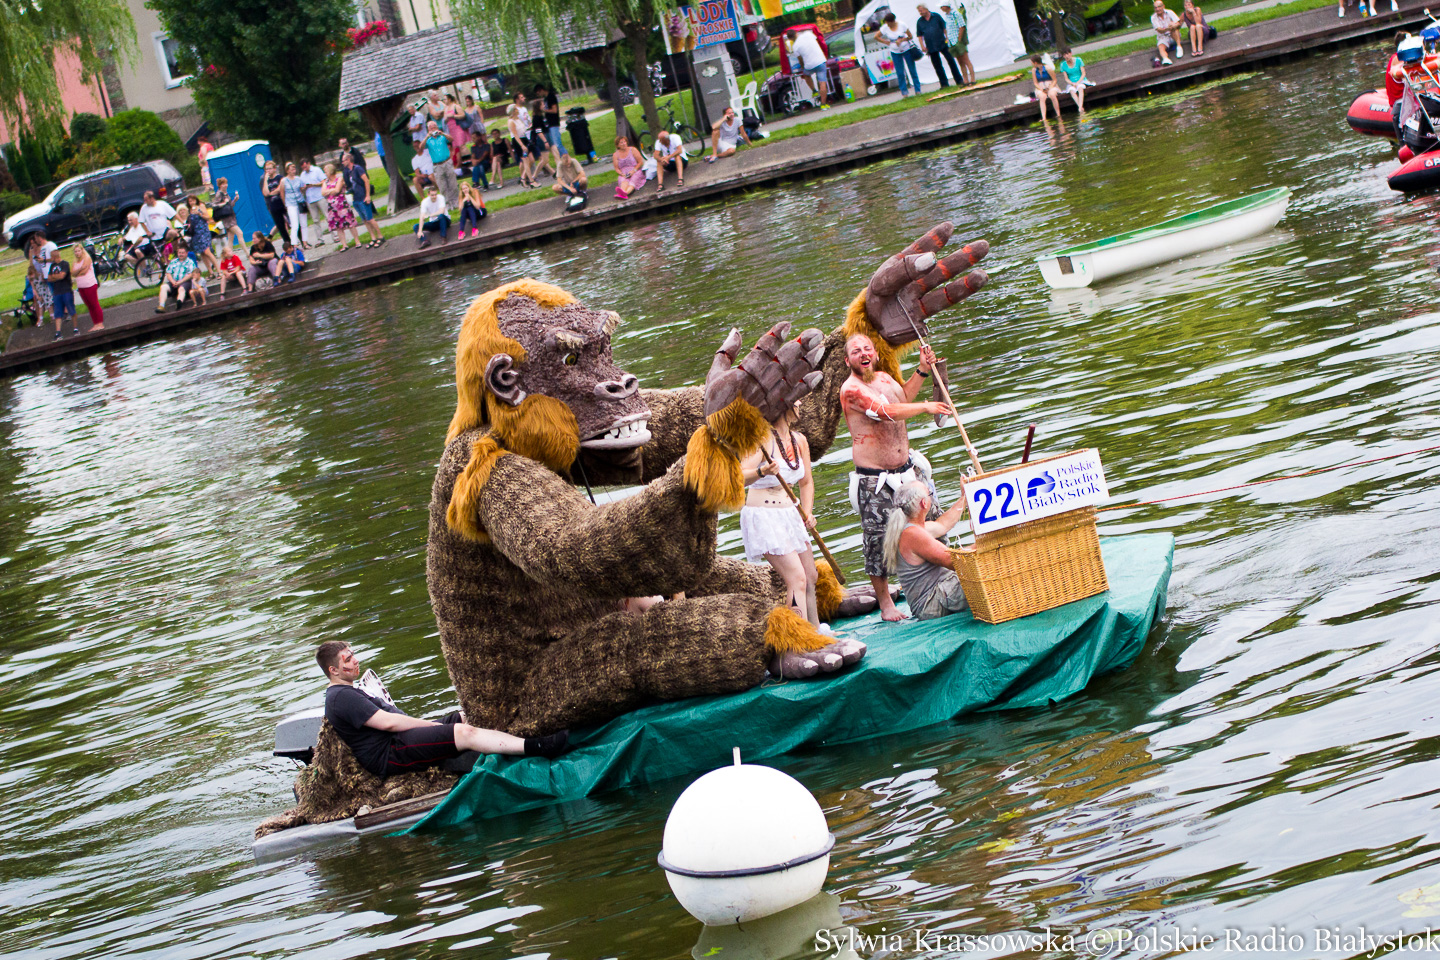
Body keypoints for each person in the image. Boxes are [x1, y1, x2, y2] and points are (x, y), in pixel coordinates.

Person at [316, 641, 566, 779]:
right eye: (347, 659)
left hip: (397, 740)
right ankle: (538, 746)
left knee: (465, 716)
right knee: (464, 732)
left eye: (353, 655)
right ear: (333, 670)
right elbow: (389, 723)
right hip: (389, 754)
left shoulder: (347, 691)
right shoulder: (342, 697)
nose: (355, 660)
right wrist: (434, 726)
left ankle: (527, 732)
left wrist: (437, 726)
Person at [840, 334, 952, 622]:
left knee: (932, 522)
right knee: (877, 540)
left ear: (875, 354)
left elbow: (903, 400)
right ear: (848, 360)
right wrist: (926, 407)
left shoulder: (884, 378)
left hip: (907, 470)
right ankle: (886, 604)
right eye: (856, 351)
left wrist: (922, 370)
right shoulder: (851, 389)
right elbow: (885, 412)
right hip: (874, 477)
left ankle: (943, 577)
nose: (863, 354)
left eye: (867, 349)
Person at [738, 403, 823, 629]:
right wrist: (761, 471)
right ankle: (799, 637)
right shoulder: (762, 440)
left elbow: (806, 482)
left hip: (791, 513)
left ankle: (817, 631)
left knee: (810, 575)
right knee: (797, 578)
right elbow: (738, 476)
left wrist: (807, 512)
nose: (800, 403)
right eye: (795, 400)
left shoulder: (799, 440)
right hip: (764, 516)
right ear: (782, 405)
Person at [883, 481, 969, 621]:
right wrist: (986, 543)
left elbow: (942, 525)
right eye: (930, 494)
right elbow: (953, 561)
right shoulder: (912, 534)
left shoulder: (910, 527)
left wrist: (964, 497)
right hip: (931, 603)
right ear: (924, 503)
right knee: (981, 571)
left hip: (934, 598)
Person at [340, 151, 384, 248]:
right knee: (365, 220)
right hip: (356, 198)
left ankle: (380, 236)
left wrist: (367, 195)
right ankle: (373, 237)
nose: (342, 162)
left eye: (343, 160)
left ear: (348, 160)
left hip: (363, 196)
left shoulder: (357, 168)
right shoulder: (348, 172)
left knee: (370, 219)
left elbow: (366, 181)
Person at [915, 4, 960, 89]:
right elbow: (920, 35)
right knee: (937, 65)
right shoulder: (920, 22)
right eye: (919, 11)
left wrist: (947, 38)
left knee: (951, 61)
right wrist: (922, 46)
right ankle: (944, 84)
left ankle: (959, 80)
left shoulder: (936, 16)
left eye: (921, 10)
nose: (920, 13)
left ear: (926, 9)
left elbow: (944, 28)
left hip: (942, 42)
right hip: (931, 46)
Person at [879, 13, 923, 98]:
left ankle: (917, 90)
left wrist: (902, 40)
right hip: (895, 51)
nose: (887, 24)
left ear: (893, 21)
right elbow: (876, 36)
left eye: (888, 23)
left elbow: (910, 36)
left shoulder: (902, 25)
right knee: (900, 72)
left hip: (906, 49)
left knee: (912, 69)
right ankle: (904, 92)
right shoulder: (885, 28)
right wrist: (885, 42)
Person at [322, 163, 363, 251]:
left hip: (342, 205)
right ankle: (344, 245)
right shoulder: (325, 182)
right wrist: (332, 190)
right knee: (338, 227)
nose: (325, 173)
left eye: (326, 171)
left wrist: (329, 191)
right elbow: (323, 193)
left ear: (330, 171)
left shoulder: (339, 179)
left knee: (350, 223)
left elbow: (337, 190)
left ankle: (357, 241)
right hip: (332, 208)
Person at [421, 119, 459, 209]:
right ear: (428, 130)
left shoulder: (442, 137)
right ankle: (447, 204)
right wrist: (427, 136)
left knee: (452, 183)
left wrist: (442, 133)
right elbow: (421, 147)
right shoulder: (428, 140)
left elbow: (451, 139)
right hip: (437, 165)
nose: (433, 129)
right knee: (442, 186)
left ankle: (455, 202)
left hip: (447, 162)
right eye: (431, 128)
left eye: (434, 127)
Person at [789, 29, 832, 108]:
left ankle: (814, 90)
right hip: (820, 61)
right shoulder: (808, 34)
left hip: (809, 65)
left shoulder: (795, 46)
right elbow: (818, 41)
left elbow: (800, 59)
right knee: (822, 83)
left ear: (790, 39)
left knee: (806, 75)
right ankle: (823, 104)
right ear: (796, 33)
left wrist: (802, 67)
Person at [157, 241, 201, 311]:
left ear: (186, 253)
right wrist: (173, 281)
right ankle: (161, 306)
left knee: (181, 289)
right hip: (173, 282)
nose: (181, 254)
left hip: (185, 282)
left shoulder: (190, 262)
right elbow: (168, 273)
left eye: (182, 253)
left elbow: (190, 274)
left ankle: (179, 303)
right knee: (163, 287)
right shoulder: (173, 262)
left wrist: (180, 282)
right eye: (179, 253)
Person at [940, 3, 975, 85]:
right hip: (952, 42)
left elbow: (962, 26)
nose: (941, 8)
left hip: (958, 41)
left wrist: (959, 40)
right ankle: (965, 80)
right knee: (960, 62)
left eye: (942, 6)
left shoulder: (956, 14)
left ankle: (972, 79)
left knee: (966, 60)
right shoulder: (946, 16)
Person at [70, 242, 102, 330]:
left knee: (94, 304)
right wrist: (79, 270)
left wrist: (77, 272)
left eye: (78, 251)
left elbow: (84, 271)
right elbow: (72, 273)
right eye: (75, 251)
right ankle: (95, 323)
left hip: (89, 284)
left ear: (82, 250)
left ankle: (100, 323)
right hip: (81, 286)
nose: (77, 253)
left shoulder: (87, 258)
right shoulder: (75, 262)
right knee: (89, 305)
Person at [28, 231, 57, 328]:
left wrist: (42, 274)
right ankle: (40, 318)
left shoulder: (43, 248)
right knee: (39, 298)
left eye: (34, 243)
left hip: (45, 275)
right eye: (31, 244)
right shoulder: (31, 251)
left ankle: (53, 315)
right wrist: (34, 274)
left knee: (49, 295)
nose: (33, 246)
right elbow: (31, 265)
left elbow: (49, 260)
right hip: (37, 276)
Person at [47, 248, 77, 339]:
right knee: (57, 312)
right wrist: (56, 277)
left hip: (66, 290)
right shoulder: (52, 266)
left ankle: (75, 328)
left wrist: (54, 277)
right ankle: (58, 332)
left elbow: (62, 276)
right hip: (57, 292)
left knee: (71, 309)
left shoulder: (65, 264)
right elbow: (49, 278)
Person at [259, 160, 291, 246]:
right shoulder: (264, 180)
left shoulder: (280, 178)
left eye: (269, 169)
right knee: (280, 226)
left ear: (274, 169)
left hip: (283, 203)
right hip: (273, 206)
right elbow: (265, 193)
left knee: (291, 222)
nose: (268, 171)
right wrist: (266, 180)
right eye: (266, 169)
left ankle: (300, 240)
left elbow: (280, 189)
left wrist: (272, 192)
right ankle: (288, 243)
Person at [184, 199, 218, 275]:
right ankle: (211, 272)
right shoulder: (189, 210)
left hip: (203, 231)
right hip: (195, 233)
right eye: (189, 201)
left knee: (207, 251)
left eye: (192, 200)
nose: (191, 202)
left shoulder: (200, 206)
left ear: (196, 200)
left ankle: (218, 271)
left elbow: (207, 217)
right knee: (202, 253)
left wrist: (200, 214)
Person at [536, 82, 566, 167]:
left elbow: (554, 110)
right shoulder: (546, 98)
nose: (539, 95)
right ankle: (563, 161)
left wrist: (544, 111)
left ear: (541, 90)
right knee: (555, 145)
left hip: (554, 123)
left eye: (538, 93)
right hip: (549, 124)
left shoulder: (551, 97)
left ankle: (567, 159)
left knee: (557, 144)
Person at [300, 159, 329, 246]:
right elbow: (301, 187)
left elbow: (324, 181)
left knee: (327, 216)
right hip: (310, 199)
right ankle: (320, 239)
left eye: (306, 166)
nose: (305, 169)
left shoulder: (316, 170)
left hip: (319, 196)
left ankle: (335, 236)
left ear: (309, 163)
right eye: (303, 168)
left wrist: (314, 184)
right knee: (315, 220)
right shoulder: (302, 175)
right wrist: (304, 188)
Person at [507, 102, 536, 189]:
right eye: (516, 109)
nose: (518, 110)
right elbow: (515, 135)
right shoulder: (511, 121)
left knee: (531, 160)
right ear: (513, 111)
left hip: (524, 138)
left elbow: (523, 129)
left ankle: (523, 178)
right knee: (525, 161)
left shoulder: (518, 119)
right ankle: (530, 181)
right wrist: (522, 145)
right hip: (518, 141)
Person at [613, 135, 647, 199]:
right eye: (621, 143)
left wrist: (633, 171)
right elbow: (616, 168)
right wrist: (621, 174)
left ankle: (625, 193)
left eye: (624, 142)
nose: (624, 144)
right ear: (618, 145)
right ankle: (622, 192)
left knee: (633, 181)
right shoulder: (615, 155)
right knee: (623, 180)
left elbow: (640, 162)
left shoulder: (633, 150)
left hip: (635, 170)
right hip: (624, 173)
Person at [1152, 0, 1184, 64]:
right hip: (1163, 36)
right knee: (1160, 46)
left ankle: (1179, 47)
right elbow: (1159, 30)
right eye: (1155, 7)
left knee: (1173, 26)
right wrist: (1167, 29)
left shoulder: (1170, 12)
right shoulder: (1153, 17)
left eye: (1159, 6)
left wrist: (1173, 25)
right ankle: (1165, 59)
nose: (1157, 9)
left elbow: (1178, 23)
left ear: (1163, 6)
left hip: (1173, 34)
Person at [1030, 54, 1062, 120]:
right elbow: (1035, 83)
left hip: (1050, 85)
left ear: (1035, 63)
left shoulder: (1048, 68)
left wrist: (1050, 87)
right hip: (1040, 86)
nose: (1031, 64)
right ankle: (1044, 117)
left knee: (1052, 95)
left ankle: (1058, 114)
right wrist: (1041, 89)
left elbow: (1054, 80)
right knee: (1042, 97)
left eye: (1032, 62)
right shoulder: (1034, 70)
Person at [443, 93, 467, 165]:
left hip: (458, 128)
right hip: (451, 130)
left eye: (445, 99)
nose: (444, 100)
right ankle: (460, 162)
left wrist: (453, 116)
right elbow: (445, 119)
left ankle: (467, 159)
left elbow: (463, 115)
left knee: (461, 144)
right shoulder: (446, 108)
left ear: (449, 99)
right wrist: (446, 119)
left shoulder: (455, 106)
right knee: (455, 146)